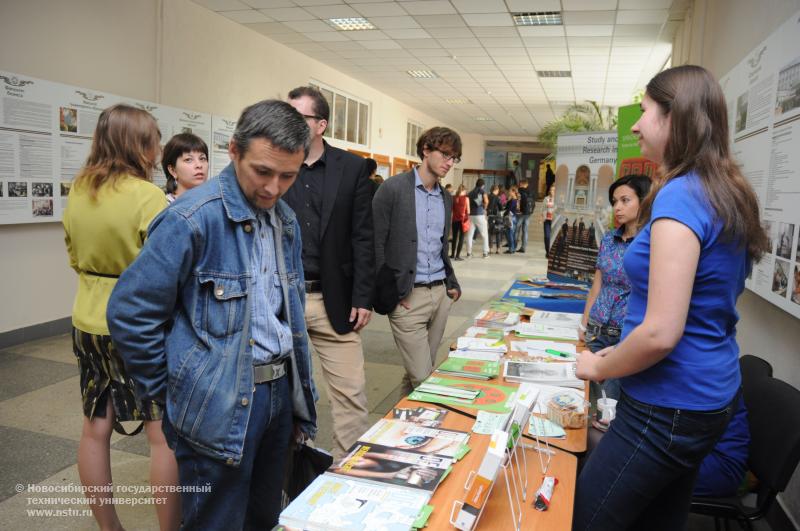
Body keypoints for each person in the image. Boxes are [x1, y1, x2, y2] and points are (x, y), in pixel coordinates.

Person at [573, 65, 769, 530]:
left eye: (644, 112)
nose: (637, 125)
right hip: (709, 395)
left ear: (675, 118)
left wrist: (597, 365)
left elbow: (661, 332)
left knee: (583, 519)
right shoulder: (726, 189)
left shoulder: (681, 194)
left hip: (668, 404)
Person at [107, 100, 317, 530]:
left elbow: (287, 316)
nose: (274, 188)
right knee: (214, 522)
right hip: (215, 401)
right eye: (263, 171)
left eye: (288, 176)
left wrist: (296, 402)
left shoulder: (286, 221)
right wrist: (172, 394)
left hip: (278, 394)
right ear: (234, 151)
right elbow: (131, 312)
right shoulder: (191, 219)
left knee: (265, 517)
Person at [62, 104, 180, 531]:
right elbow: (166, 268)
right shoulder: (146, 196)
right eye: (154, 138)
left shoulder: (78, 188)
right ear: (139, 144)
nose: (158, 147)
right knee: (160, 432)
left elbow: (74, 255)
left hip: (87, 318)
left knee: (96, 426)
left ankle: (110, 528)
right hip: (139, 324)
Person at [284, 86, 374, 459]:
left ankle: (347, 477)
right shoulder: (276, 164)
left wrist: (363, 297)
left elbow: (364, 236)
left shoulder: (352, 168)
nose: (287, 123)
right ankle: (284, 474)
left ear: (320, 125)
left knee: (351, 395)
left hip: (332, 300)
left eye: (298, 117)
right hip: (282, 302)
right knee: (279, 398)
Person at [373, 126, 462, 395]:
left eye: (454, 158)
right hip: (407, 299)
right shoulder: (393, 189)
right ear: (426, 150)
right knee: (424, 378)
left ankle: (401, 431)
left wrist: (451, 284)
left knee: (419, 373)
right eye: (445, 154)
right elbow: (374, 244)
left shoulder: (445, 197)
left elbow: (440, 247)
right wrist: (390, 292)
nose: (450, 162)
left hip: (440, 294)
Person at [579, 174, 652, 400]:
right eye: (614, 202)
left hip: (625, 336)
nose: (617, 207)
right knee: (585, 397)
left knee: (610, 403)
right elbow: (597, 284)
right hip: (596, 329)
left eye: (625, 200)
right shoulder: (609, 239)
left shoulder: (651, 243)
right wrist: (584, 322)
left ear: (644, 201)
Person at [162, 133, 209, 203]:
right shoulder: (164, 205)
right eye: (188, 160)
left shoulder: (214, 202)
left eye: (202, 158)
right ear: (172, 170)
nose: (199, 165)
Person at [465, 179, 489, 258]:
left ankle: (469, 253)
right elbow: (486, 201)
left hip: (470, 216)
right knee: (484, 234)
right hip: (480, 215)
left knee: (469, 235)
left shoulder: (470, 193)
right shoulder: (482, 191)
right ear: (483, 185)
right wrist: (484, 209)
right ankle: (485, 253)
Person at [450, 184, 470, 261]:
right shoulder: (466, 198)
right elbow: (468, 211)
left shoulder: (454, 198)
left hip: (454, 220)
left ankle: (452, 254)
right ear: (464, 191)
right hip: (463, 220)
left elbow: (452, 210)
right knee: (461, 238)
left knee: (454, 237)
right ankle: (457, 256)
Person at [516, 179, 534, 253]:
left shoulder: (519, 191)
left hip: (521, 213)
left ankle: (514, 245)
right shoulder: (531, 192)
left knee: (516, 228)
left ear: (521, 184)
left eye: (520, 184)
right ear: (526, 184)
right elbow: (533, 203)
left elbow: (518, 201)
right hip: (528, 213)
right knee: (525, 230)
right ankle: (523, 247)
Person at [487, 185, 504, 254]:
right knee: (498, 232)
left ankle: (490, 248)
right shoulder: (497, 197)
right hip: (497, 216)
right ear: (496, 190)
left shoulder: (488, 196)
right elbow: (501, 208)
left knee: (490, 232)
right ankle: (498, 249)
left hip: (490, 216)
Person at [503, 186, 519, 254]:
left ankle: (511, 249)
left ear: (513, 192)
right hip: (513, 217)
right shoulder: (514, 199)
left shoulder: (513, 200)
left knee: (510, 234)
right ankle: (513, 248)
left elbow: (508, 209)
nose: (509, 192)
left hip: (511, 218)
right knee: (511, 234)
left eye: (510, 191)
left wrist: (503, 214)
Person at [543, 184, 555, 256]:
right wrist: (542, 217)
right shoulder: (546, 198)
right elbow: (543, 208)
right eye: (551, 190)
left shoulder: (558, 199)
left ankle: (551, 252)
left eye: (553, 190)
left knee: (552, 236)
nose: (552, 191)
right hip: (547, 220)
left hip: (553, 219)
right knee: (547, 236)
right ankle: (547, 251)